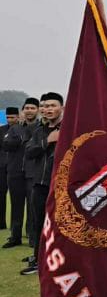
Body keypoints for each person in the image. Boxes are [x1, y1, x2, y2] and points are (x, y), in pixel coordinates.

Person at [21, 92, 63, 275]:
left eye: (53, 105)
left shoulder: (69, 129)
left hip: (60, 186)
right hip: (39, 184)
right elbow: (29, 151)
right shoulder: (39, 131)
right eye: (45, 106)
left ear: (62, 107)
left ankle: (61, 259)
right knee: (38, 224)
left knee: (60, 225)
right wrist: (47, 141)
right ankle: (38, 260)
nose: (48, 109)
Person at [2, 97, 39, 249]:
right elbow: (6, 145)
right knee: (16, 205)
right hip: (15, 172)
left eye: (32, 108)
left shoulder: (40, 128)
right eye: (27, 108)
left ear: (37, 111)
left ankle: (32, 236)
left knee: (33, 206)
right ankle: (15, 236)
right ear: (23, 111)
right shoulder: (14, 128)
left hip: (33, 173)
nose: (29, 111)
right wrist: (21, 136)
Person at [0, 107, 20, 231]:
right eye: (8, 117)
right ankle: (1, 223)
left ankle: (15, 226)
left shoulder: (21, 130)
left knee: (16, 198)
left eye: (12, 117)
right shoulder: (1, 130)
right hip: (2, 167)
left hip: (15, 167)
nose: (10, 119)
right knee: (1, 195)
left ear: (18, 117)